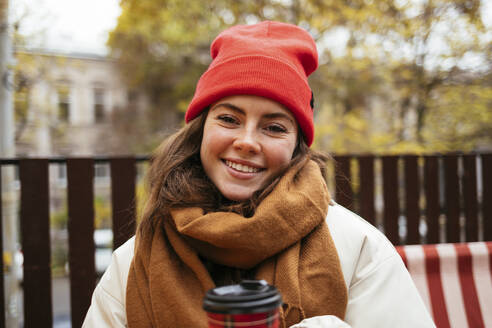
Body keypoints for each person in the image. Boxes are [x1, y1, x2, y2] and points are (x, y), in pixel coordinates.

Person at [83, 21, 435, 328]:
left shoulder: (357, 248)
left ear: (298, 145)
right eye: (229, 119)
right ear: (201, 129)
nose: (247, 141)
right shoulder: (133, 260)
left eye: (274, 127)